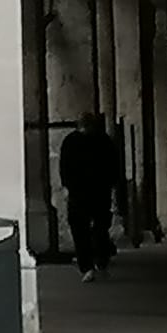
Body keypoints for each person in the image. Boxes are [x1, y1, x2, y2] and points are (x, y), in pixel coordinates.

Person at [59, 110, 120, 282]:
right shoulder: (103, 140)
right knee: (100, 229)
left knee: (80, 231)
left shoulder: (70, 141)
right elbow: (113, 165)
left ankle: (87, 266)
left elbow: (64, 167)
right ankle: (101, 262)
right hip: (100, 192)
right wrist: (110, 184)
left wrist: (67, 187)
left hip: (79, 193)